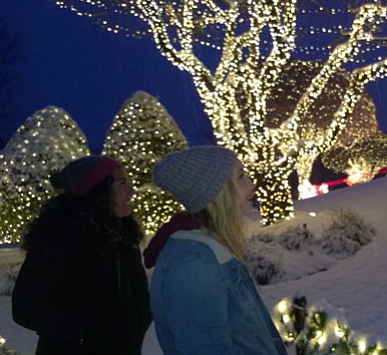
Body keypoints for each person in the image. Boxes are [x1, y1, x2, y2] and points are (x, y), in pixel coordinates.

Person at [144, 145, 288, 354]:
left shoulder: (212, 249)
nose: (251, 185)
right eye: (240, 177)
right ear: (215, 191)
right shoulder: (193, 264)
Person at [11, 155, 152, 355]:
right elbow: (27, 309)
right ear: (97, 192)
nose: (131, 191)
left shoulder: (122, 236)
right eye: (121, 183)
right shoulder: (61, 239)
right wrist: (92, 328)